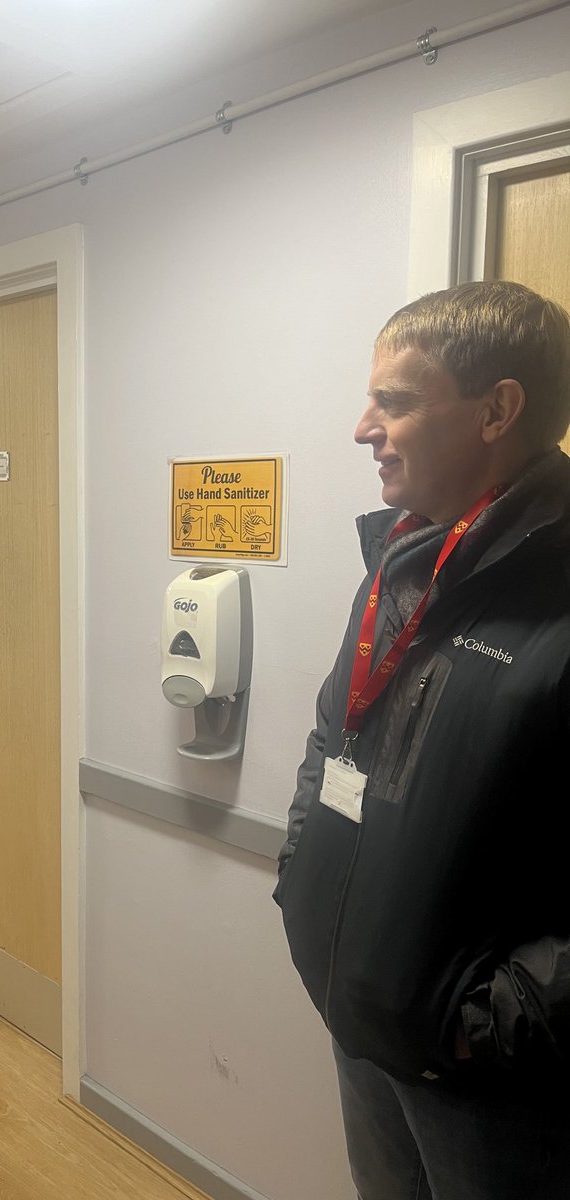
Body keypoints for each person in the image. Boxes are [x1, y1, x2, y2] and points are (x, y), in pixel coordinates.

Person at [274, 280, 570, 1200]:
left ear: (498, 410)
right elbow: (335, 739)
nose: (364, 427)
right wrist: (301, 883)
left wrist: (493, 1025)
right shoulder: (403, 558)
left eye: (395, 402)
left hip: (490, 1081)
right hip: (363, 1024)